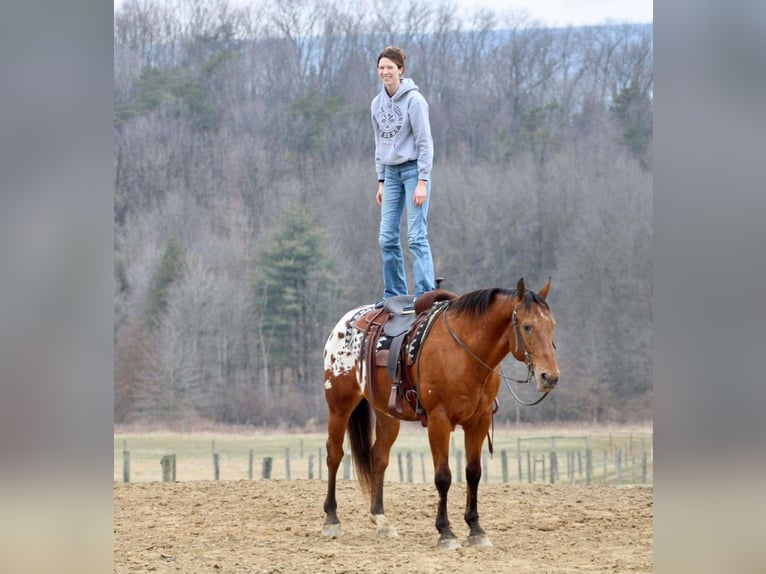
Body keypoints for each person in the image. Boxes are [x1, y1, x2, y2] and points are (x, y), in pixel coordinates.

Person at [371, 46, 435, 313]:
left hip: (412, 172)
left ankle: (425, 293)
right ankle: (394, 293)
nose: (385, 72)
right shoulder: (376, 104)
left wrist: (422, 180)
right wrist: (381, 181)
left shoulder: (414, 101)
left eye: (390, 67)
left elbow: (424, 142)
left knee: (416, 237)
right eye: (381, 68)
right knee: (387, 237)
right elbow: (379, 143)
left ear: (401, 70)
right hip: (391, 175)